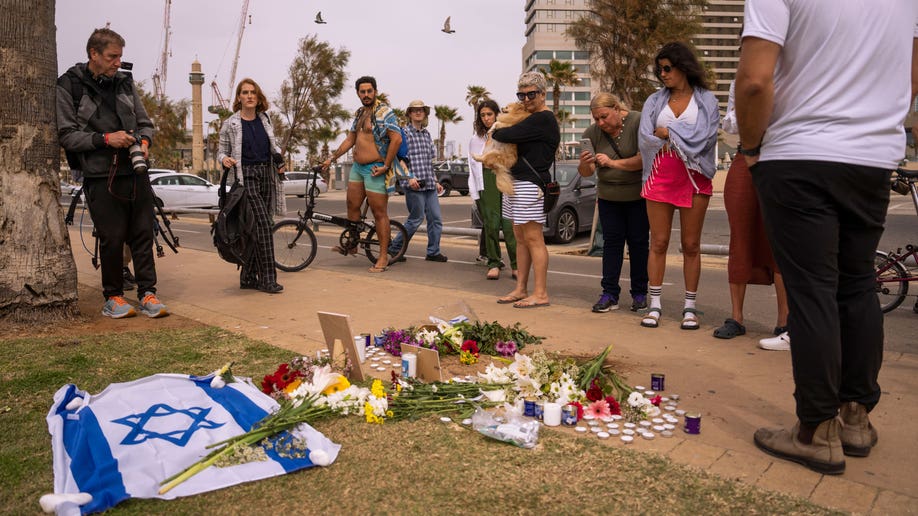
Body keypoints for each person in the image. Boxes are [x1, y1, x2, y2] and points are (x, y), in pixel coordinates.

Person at [736, 0, 918, 475]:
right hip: (872, 156)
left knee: (812, 289)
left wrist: (752, 148)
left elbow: (755, 79)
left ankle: (816, 430)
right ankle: (856, 418)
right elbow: (910, 76)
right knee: (856, 283)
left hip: (799, 152)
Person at [57, 28, 167, 319]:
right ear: (94, 54)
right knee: (112, 237)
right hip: (99, 174)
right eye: (112, 56)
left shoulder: (124, 82)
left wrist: (143, 143)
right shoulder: (69, 85)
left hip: (135, 170)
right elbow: (67, 135)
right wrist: (107, 139)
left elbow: (145, 123)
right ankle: (113, 297)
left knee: (143, 233)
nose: (118, 62)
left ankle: (148, 294)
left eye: (120, 56)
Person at [637, 42, 719, 330]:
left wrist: (669, 131)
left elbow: (706, 137)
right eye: (659, 70)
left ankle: (690, 308)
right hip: (660, 173)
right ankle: (655, 305)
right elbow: (646, 137)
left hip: (695, 175)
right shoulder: (653, 101)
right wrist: (674, 136)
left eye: (667, 68)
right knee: (658, 243)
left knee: (691, 245)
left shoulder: (707, 100)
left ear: (684, 66)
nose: (662, 74)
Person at [713, 79, 790, 350]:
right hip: (745, 157)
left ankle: (784, 322)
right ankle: (736, 318)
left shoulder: (789, 76)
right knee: (740, 238)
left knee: (779, 241)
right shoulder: (740, 82)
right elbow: (730, 123)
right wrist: (752, 109)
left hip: (781, 159)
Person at [492, 71, 560, 309]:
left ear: (543, 94)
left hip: (531, 184)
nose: (526, 99)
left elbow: (502, 132)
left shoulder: (542, 118)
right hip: (518, 182)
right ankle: (521, 288)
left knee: (533, 238)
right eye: (521, 95)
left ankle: (540, 292)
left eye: (531, 94)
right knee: (520, 239)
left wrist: (501, 126)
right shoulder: (530, 118)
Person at [321, 76, 402, 273]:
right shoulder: (359, 113)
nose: (366, 95)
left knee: (379, 213)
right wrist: (332, 157)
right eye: (362, 92)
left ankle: (383, 257)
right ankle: (353, 243)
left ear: (375, 91)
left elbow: (397, 139)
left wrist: (386, 165)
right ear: (358, 93)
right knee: (352, 206)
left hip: (375, 168)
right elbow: (351, 138)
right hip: (357, 167)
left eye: (369, 91)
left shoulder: (385, 112)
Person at [577, 93, 648, 313]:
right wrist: (585, 163)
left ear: (617, 109)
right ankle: (609, 293)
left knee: (638, 245)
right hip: (608, 198)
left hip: (638, 197)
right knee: (611, 246)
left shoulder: (638, 121)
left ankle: (639, 293)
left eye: (604, 117)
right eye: (596, 119)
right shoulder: (592, 133)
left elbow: (644, 159)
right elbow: (587, 173)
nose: (601, 123)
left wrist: (613, 163)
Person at [217, 78, 287, 294]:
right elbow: (221, 151)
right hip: (245, 176)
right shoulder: (231, 123)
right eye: (244, 92)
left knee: (255, 229)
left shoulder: (265, 119)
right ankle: (268, 279)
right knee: (265, 225)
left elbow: (272, 146)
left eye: (252, 92)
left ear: (258, 98)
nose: (249, 96)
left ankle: (248, 277)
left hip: (266, 173)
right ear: (239, 97)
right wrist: (224, 159)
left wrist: (278, 160)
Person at [388, 100, 448, 263]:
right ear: (409, 114)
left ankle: (433, 252)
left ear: (425, 113)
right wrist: (410, 178)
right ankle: (394, 248)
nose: (418, 112)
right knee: (416, 219)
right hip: (413, 184)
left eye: (421, 110)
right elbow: (401, 160)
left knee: (436, 219)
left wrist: (435, 180)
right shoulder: (404, 133)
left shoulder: (427, 134)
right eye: (414, 110)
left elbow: (429, 161)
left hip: (428, 183)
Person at [469, 99, 518, 280]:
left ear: (496, 114)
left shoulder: (506, 132)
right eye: (482, 115)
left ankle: (516, 265)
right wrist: (474, 192)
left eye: (489, 114)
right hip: (486, 181)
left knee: (508, 224)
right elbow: (472, 168)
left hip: (503, 176)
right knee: (490, 224)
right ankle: (494, 262)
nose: (486, 118)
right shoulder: (475, 139)